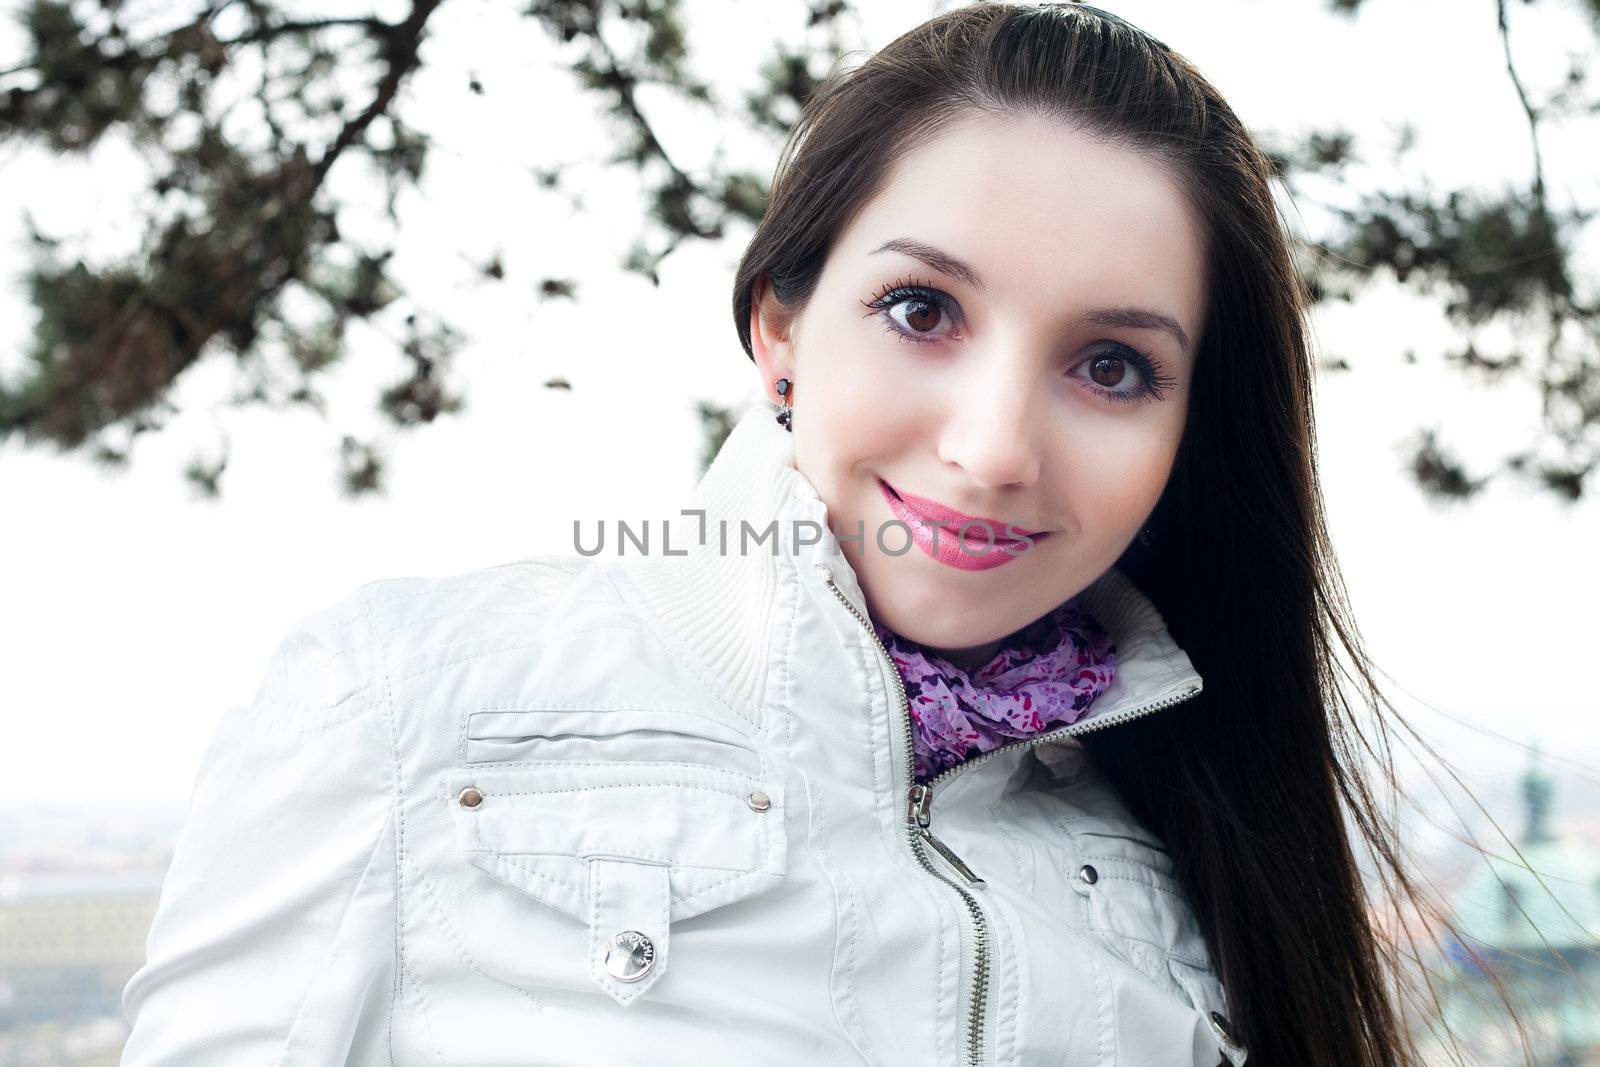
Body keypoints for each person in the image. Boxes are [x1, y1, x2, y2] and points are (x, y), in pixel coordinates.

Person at [120, 3, 1453, 1064]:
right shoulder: (406, 708)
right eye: (925, 311)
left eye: (1110, 368)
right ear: (778, 330)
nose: (992, 449)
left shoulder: (1196, 869)